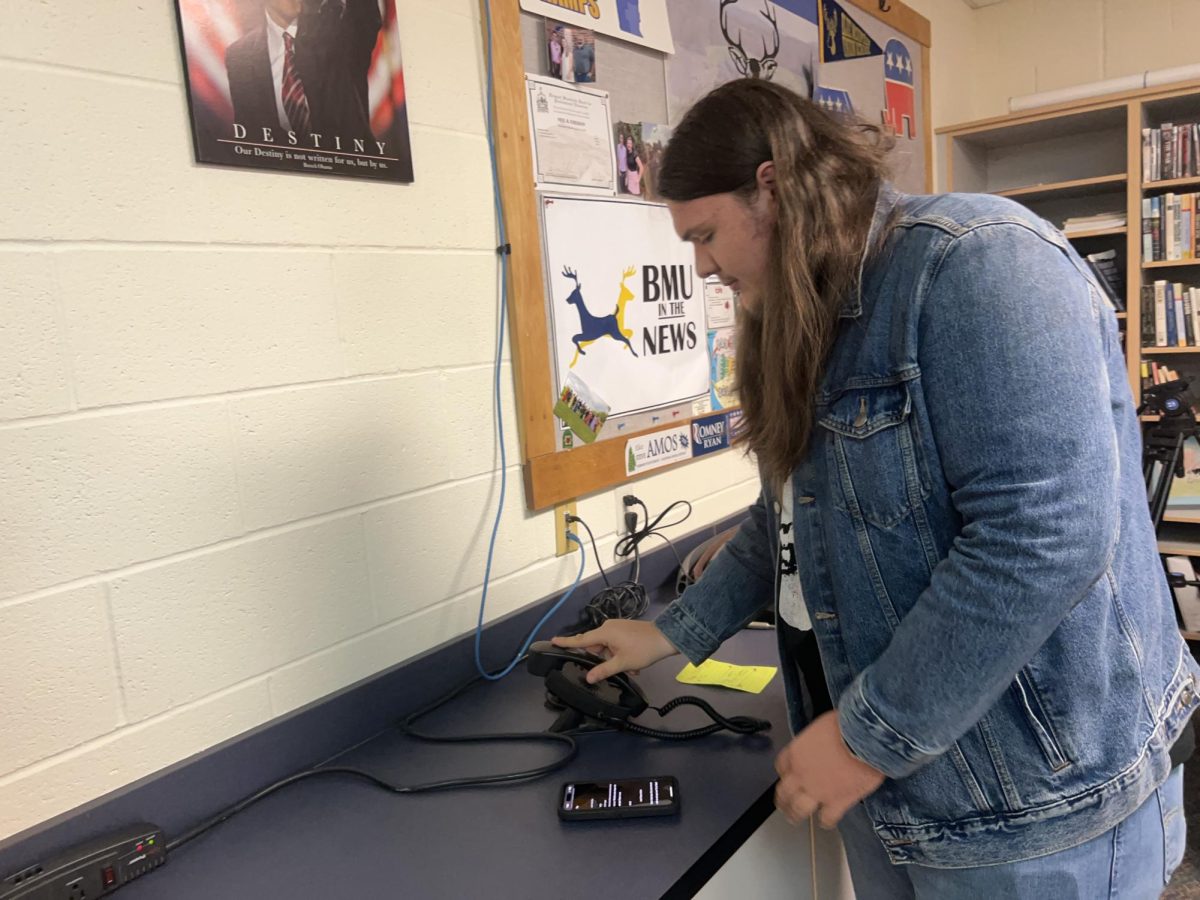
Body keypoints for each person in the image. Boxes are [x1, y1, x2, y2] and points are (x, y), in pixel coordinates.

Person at [554, 78, 1199, 898]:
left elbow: (1042, 541)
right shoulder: (810, 315)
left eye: (708, 234)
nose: (702, 265)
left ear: (774, 185)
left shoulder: (978, 263)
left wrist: (863, 738)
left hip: (1034, 811)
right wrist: (670, 634)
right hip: (890, 785)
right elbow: (787, 517)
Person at [225, 0, 380, 141]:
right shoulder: (240, 55)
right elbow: (250, 135)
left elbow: (365, 17)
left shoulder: (337, 29)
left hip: (346, 165)